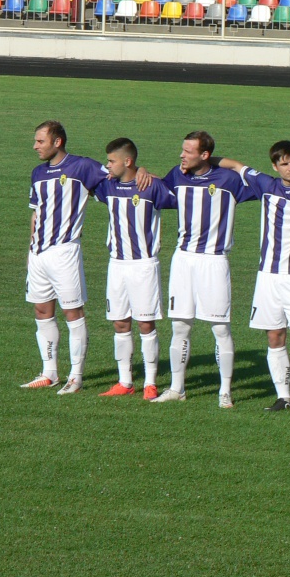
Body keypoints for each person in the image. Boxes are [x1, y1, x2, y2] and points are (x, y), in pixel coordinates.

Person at [212, 141, 290, 417]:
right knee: (274, 337)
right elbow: (235, 165)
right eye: (284, 164)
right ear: (275, 166)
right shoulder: (266, 184)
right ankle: (283, 396)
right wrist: (203, 158)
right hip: (269, 277)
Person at [152, 131, 256, 409]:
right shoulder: (177, 175)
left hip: (214, 261)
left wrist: (232, 163)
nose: (181, 155)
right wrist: (140, 172)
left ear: (205, 155)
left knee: (220, 328)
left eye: (188, 151)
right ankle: (177, 388)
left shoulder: (229, 180)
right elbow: (157, 189)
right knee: (180, 326)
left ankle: (225, 391)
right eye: (182, 150)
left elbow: (264, 185)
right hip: (183, 259)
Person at [22, 120, 109, 394]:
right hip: (39, 254)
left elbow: (119, 175)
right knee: (41, 310)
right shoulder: (38, 173)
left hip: (64, 251)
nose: (35, 146)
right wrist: (30, 250)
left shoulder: (82, 167)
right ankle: (49, 372)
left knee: (73, 312)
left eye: (40, 141)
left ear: (57, 142)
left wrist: (141, 171)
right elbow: (36, 213)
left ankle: (76, 377)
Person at [93, 138, 176, 401]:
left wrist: (146, 171)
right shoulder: (107, 185)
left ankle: (150, 383)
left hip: (143, 265)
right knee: (119, 322)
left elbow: (180, 195)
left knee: (145, 323)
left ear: (127, 161)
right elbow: (84, 174)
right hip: (117, 264)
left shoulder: (151, 186)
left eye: (112, 161)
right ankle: (125, 381)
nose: (108, 165)